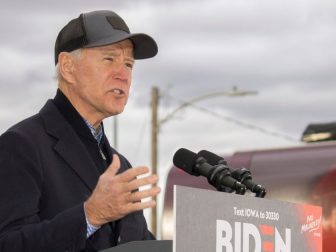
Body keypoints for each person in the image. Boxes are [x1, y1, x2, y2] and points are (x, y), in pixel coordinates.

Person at [0, 10, 161, 252]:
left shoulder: (122, 168)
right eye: (109, 59)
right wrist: (90, 216)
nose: (123, 75)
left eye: (128, 64)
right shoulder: (21, 146)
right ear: (67, 67)